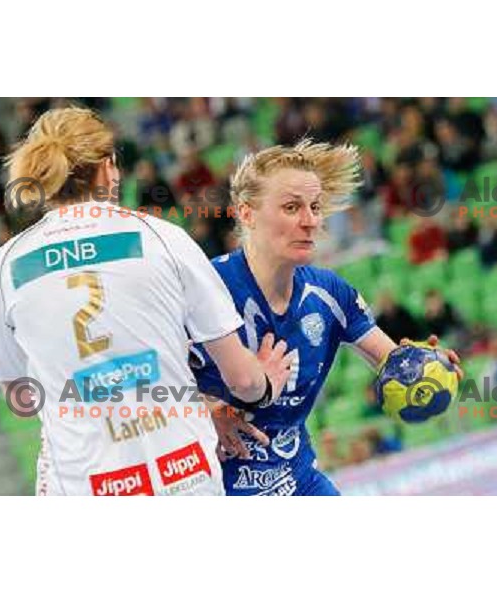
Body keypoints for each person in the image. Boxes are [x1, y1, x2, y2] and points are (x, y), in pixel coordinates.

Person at [0, 107, 293, 496]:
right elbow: (243, 380)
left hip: (84, 486)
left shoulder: (8, 264)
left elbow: (19, 398)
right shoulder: (162, 238)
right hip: (183, 477)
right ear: (109, 168)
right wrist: (265, 385)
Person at [190, 139, 462, 496]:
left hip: (297, 480)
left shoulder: (330, 293)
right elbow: (136, 388)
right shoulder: (204, 289)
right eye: (291, 207)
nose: (311, 221)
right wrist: (206, 411)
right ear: (246, 213)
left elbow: (392, 360)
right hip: (213, 490)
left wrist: (426, 366)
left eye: (315, 207)